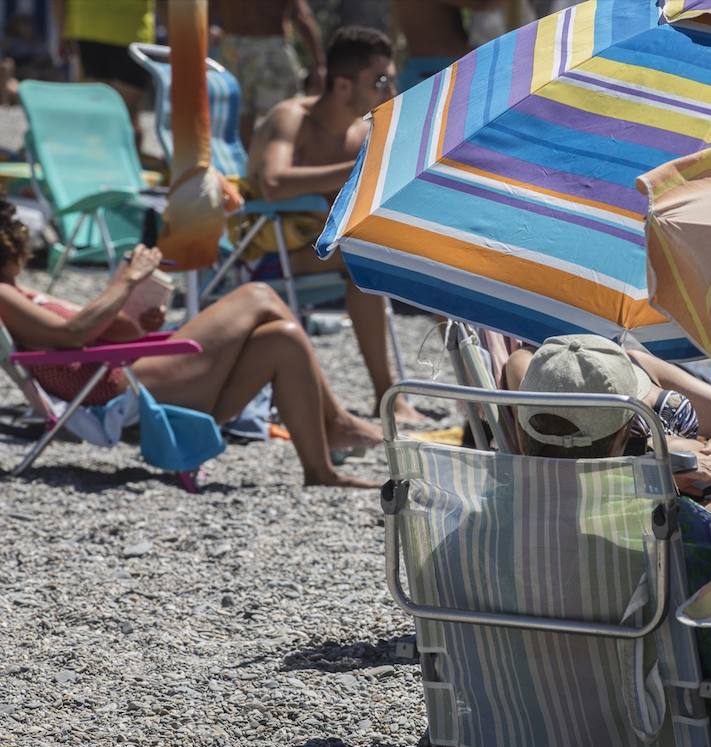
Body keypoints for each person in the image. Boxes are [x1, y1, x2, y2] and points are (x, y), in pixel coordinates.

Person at [0, 203, 382, 488]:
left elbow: (95, 332)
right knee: (258, 295)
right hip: (117, 386)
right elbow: (71, 336)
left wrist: (137, 318)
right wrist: (128, 281)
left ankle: (319, 470)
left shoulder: (17, 292)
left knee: (282, 339)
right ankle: (335, 423)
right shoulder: (3, 294)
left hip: (124, 374)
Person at [246, 25, 423, 424]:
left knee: (431, 252)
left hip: (318, 252)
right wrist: (358, 169)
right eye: (380, 79)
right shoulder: (293, 118)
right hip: (266, 255)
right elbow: (273, 183)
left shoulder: (363, 131)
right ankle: (387, 395)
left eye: (391, 77)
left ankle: (477, 396)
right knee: (362, 257)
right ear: (343, 86)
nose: (390, 87)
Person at [506, 337, 711, 515]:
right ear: (621, 434)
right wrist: (652, 478)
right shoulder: (537, 369)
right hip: (698, 498)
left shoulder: (634, 359)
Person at [211, 0, 326, 149]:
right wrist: (319, 63)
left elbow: (210, 9)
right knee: (282, 117)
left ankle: (247, 166)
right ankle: (274, 164)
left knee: (239, 119)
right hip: (270, 49)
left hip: (232, 48)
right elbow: (302, 16)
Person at [53, 0, 164, 150]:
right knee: (120, 113)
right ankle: (119, 164)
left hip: (95, 26)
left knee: (112, 112)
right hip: (122, 28)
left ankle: (117, 162)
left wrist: (62, 31)